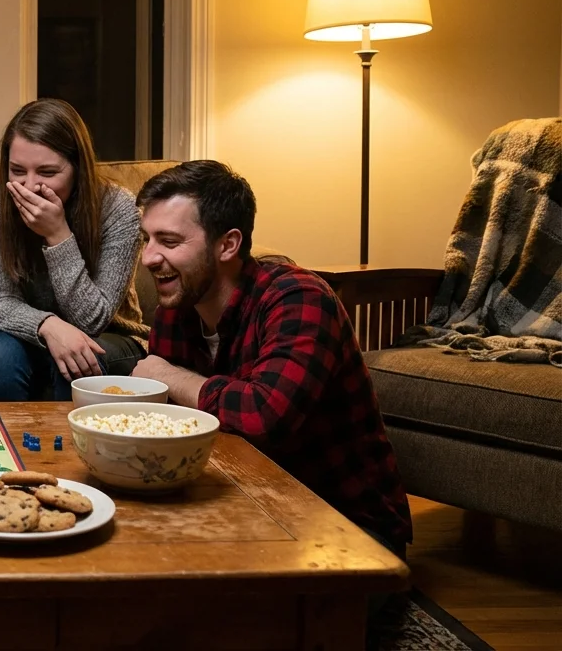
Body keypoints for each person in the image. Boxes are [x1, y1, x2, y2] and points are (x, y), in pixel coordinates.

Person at [130, 159, 412, 557]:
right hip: (240, 508)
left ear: (228, 244)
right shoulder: (176, 310)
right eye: (148, 239)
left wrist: (166, 375)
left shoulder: (300, 298)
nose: (149, 258)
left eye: (169, 242)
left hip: (345, 527)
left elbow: (264, 417)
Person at [0, 99, 147, 401]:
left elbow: (93, 320)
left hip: (110, 336)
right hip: (29, 334)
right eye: (17, 170)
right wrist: (48, 325)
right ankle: (1, 446)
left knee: (78, 357)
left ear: (77, 169)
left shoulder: (119, 208)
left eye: (47, 172)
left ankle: (69, 449)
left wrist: (57, 234)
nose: (29, 186)